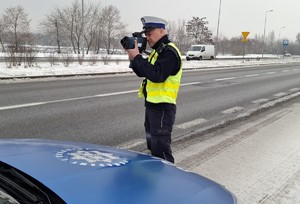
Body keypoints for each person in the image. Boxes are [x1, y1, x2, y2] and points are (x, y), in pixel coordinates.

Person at [126, 16, 182, 163]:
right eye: (146, 34)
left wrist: (138, 57)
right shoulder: (158, 52)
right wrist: (134, 59)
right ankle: (156, 180)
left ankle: (167, 182)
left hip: (163, 109)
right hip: (152, 106)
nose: (147, 37)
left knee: (161, 151)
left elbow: (157, 75)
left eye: (150, 33)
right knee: (153, 146)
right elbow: (145, 73)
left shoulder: (169, 52)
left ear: (162, 30)